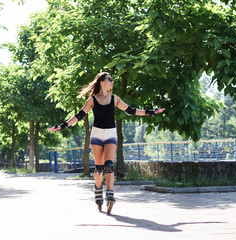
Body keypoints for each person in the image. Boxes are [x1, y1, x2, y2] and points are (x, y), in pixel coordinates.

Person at [48, 72, 165, 214]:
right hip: (96, 135)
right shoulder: (92, 100)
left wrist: (151, 112)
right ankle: (98, 189)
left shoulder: (115, 98)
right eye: (110, 80)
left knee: (108, 165)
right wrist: (62, 126)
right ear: (102, 82)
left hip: (110, 134)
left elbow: (131, 111)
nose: (112, 82)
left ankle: (110, 193)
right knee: (99, 168)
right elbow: (79, 116)